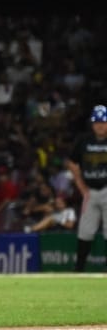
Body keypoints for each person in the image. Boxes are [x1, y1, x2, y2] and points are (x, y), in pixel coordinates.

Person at [67, 104, 107, 271]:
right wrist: (82, 187)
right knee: (85, 232)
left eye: (103, 122)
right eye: (97, 122)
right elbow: (72, 163)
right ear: (92, 124)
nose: (100, 125)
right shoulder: (84, 140)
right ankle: (78, 269)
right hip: (90, 191)